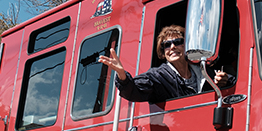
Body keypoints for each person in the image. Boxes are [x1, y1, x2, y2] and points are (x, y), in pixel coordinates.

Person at [98, 25, 232, 104]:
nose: (172, 47)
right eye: (167, 45)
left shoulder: (205, 71)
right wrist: (123, 77)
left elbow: (234, 84)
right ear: (163, 52)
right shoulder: (158, 76)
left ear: (187, 46)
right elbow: (133, 91)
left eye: (178, 41)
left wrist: (224, 80)